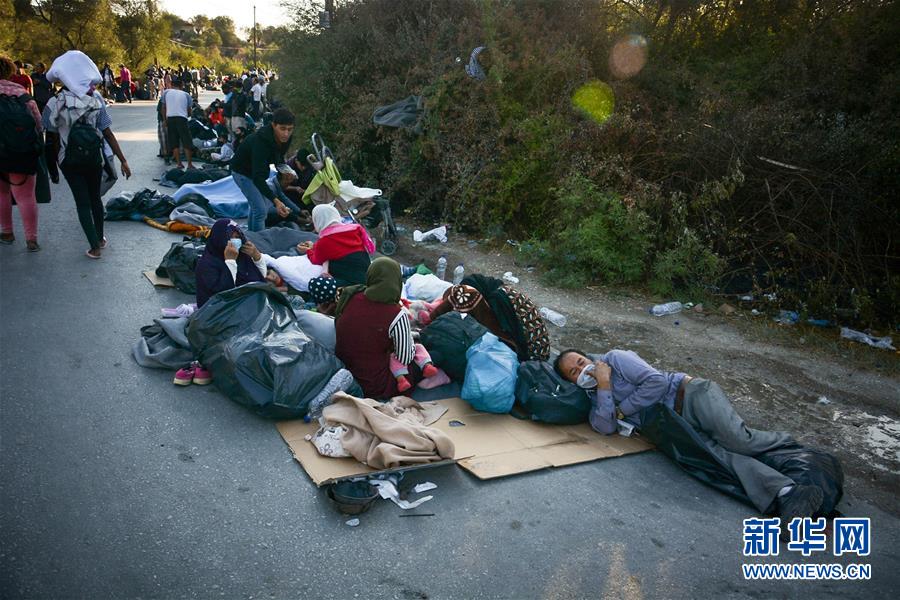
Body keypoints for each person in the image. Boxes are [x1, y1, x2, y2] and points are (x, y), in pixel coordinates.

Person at [554, 349, 828, 526]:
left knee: (737, 441)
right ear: (572, 381)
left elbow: (657, 382)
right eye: (574, 372)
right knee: (719, 458)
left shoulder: (615, 359)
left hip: (691, 395)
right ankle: (789, 492)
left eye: (581, 362)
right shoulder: (594, 397)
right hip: (673, 425)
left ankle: (787, 444)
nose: (582, 370)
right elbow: (605, 428)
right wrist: (603, 386)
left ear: (589, 357)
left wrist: (622, 409)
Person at [43, 50, 131, 259]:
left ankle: (94, 247)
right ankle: (99, 239)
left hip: (69, 160)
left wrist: (53, 169)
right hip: (94, 158)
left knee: (82, 203)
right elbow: (107, 133)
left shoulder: (55, 103)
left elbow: (51, 138)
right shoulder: (96, 101)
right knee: (95, 200)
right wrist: (123, 160)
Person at [335, 257, 448, 399]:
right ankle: (431, 375)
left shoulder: (351, 296)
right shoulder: (395, 314)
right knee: (435, 354)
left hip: (344, 373)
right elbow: (405, 357)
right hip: (375, 384)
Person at [429, 275, 551, 362]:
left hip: (523, 354)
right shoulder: (498, 293)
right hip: (532, 355)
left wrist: (432, 321)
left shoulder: (495, 303)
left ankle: (431, 321)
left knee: (464, 296)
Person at [0, 55, 43, 251]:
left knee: (1, 193)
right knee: (26, 196)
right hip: (21, 152)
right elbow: (38, 123)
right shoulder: (22, 93)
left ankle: (7, 233)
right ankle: (31, 239)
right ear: (10, 71)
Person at [229, 107, 295, 231]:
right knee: (260, 211)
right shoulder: (261, 142)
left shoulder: (285, 138)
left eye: (290, 129)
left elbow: (278, 157)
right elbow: (258, 178)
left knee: (256, 207)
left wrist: (285, 172)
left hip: (255, 172)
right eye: (282, 129)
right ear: (274, 125)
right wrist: (276, 201)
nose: (286, 133)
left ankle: (252, 237)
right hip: (241, 172)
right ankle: (261, 243)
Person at [297, 204, 375, 308]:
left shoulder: (325, 241)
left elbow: (316, 259)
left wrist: (309, 251)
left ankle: (320, 305)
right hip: (367, 281)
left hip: (352, 287)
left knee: (316, 285)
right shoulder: (354, 230)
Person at [194, 218, 267, 308]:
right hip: (218, 313)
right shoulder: (207, 264)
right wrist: (230, 262)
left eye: (237, 237)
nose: (235, 241)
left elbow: (260, 280)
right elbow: (223, 295)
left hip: (244, 305)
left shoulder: (242, 256)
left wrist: (257, 257)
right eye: (230, 237)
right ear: (220, 238)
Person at [161, 78, 194, 169]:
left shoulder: (166, 93)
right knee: (186, 142)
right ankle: (190, 164)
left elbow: (163, 107)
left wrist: (165, 120)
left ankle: (179, 164)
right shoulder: (186, 95)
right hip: (182, 119)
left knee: (174, 142)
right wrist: (187, 116)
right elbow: (189, 110)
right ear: (181, 86)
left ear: (172, 85)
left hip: (170, 119)